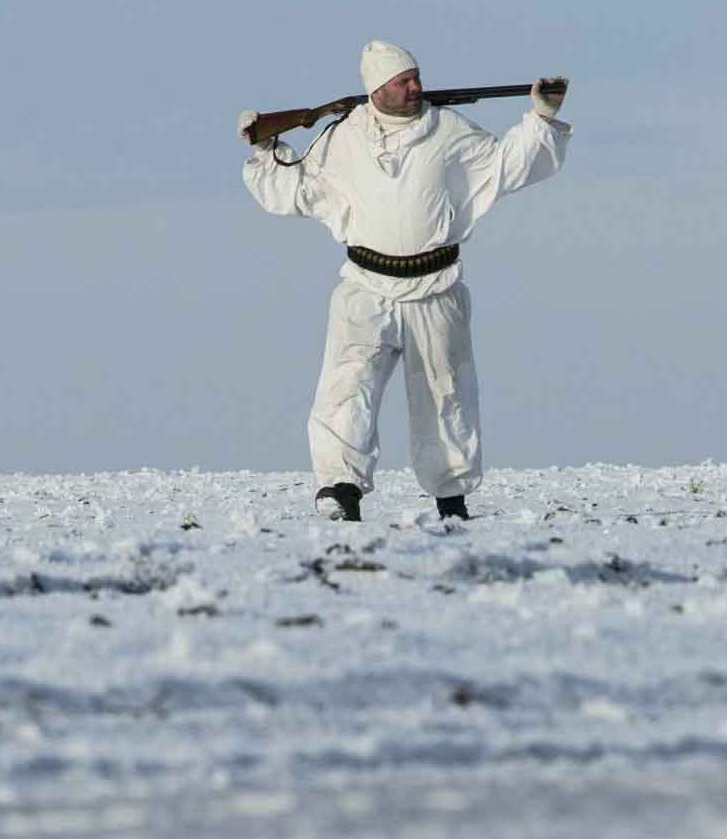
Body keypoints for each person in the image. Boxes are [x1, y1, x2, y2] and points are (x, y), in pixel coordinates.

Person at [239, 40, 570, 522]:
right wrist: (267, 145)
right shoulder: (341, 136)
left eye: (417, 77)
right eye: (404, 81)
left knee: (446, 393)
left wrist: (539, 118)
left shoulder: (451, 130)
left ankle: (451, 499)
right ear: (376, 88)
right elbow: (297, 187)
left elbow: (504, 166)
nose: (416, 87)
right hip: (364, 287)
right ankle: (340, 489)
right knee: (346, 387)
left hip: (436, 288)